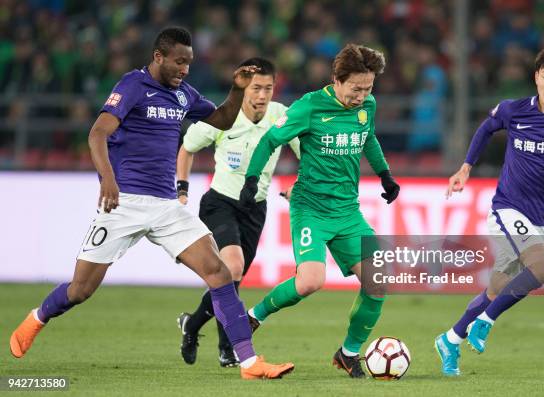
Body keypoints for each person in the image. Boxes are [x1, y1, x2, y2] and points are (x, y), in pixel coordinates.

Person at [9, 26, 294, 380]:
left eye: (189, 63)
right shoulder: (132, 85)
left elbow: (220, 119)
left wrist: (237, 90)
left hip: (166, 206)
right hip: (123, 202)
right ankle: (38, 317)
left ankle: (249, 364)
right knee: (81, 289)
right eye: (178, 62)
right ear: (158, 57)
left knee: (220, 272)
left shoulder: (182, 94)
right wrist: (108, 179)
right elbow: (97, 133)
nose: (184, 70)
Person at [435, 44, 544, 376]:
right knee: (541, 267)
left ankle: (450, 339)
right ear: (535, 78)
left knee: (499, 287)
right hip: (507, 210)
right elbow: (486, 128)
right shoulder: (516, 110)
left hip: (541, 220)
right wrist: (466, 168)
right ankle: (485, 322)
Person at [238, 43, 401, 378]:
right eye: (356, 89)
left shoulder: (367, 105)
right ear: (336, 80)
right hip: (310, 208)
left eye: (368, 89)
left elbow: (368, 137)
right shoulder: (309, 107)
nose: (362, 96)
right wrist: (251, 180)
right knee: (310, 281)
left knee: (378, 282)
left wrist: (385, 174)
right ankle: (253, 316)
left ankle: (348, 352)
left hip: (347, 212)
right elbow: (270, 140)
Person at [175, 57, 300, 368]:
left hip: (254, 208)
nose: (261, 95)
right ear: (244, 86)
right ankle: (228, 347)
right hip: (220, 203)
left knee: (232, 278)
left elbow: (307, 153)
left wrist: (300, 183)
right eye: (256, 88)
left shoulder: (281, 116)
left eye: (268, 89)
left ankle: (193, 326)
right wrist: (181, 189)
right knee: (232, 267)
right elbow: (187, 147)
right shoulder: (223, 116)